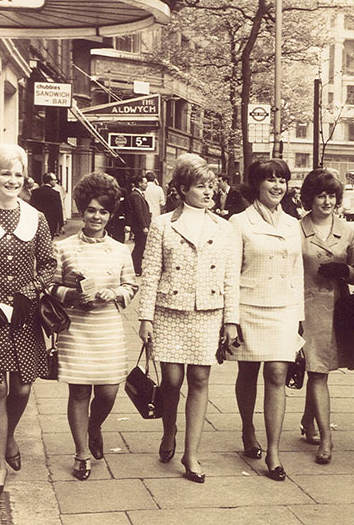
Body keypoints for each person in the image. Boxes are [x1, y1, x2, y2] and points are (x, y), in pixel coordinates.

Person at [138, 154, 241, 483]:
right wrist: (145, 317)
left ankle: (191, 454)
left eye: (211, 185)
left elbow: (230, 280)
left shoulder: (224, 228)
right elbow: (150, 273)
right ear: (182, 189)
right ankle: (170, 431)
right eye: (201, 186)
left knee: (199, 380)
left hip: (207, 313)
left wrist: (231, 321)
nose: (209, 192)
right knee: (170, 381)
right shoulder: (162, 225)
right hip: (169, 312)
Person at [0, 144, 56, 496]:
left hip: (25, 313)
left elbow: (50, 265)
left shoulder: (36, 218)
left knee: (22, 387)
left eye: (18, 174)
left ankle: (8, 437)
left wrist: (30, 292)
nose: (12, 180)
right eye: (5, 173)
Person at [50, 172, 138, 481]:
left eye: (103, 211)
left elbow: (130, 286)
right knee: (78, 393)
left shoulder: (119, 250)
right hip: (76, 329)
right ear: (81, 210)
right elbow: (50, 289)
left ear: (111, 213)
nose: (96, 216)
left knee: (108, 392)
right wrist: (72, 295)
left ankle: (94, 426)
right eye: (90, 210)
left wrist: (113, 294)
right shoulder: (62, 248)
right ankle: (81, 453)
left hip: (107, 328)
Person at [228, 159, 304, 481]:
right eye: (270, 179)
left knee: (276, 373)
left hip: (284, 307)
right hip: (250, 305)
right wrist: (230, 319)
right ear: (256, 184)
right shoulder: (238, 222)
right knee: (248, 371)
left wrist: (299, 316)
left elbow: (298, 271)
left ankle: (273, 450)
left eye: (282, 180)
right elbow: (231, 274)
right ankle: (248, 429)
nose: (277, 186)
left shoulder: (292, 224)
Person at [298, 169, 354, 464]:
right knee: (316, 371)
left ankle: (307, 420)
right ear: (309, 198)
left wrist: (344, 271)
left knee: (320, 369)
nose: (327, 201)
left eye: (332, 196)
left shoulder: (348, 232)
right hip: (305, 308)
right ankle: (326, 438)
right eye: (321, 195)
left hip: (337, 310)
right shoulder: (296, 229)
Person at [128, 174, 151, 276]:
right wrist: (144, 226)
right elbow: (138, 212)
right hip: (140, 227)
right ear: (140, 184)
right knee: (139, 247)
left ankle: (136, 267)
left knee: (140, 247)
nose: (146, 185)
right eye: (145, 183)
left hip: (140, 226)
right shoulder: (136, 196)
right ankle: (135, 268)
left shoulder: (138, 195)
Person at [29, 172, 63, 237]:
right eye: (55, 180)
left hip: (37, 221)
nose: (56, 181)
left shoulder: (35, 192)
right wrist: (61, 224)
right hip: (51, 221)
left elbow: (31, 207)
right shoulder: (55, 194)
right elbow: (58, 210)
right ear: (50, 181)